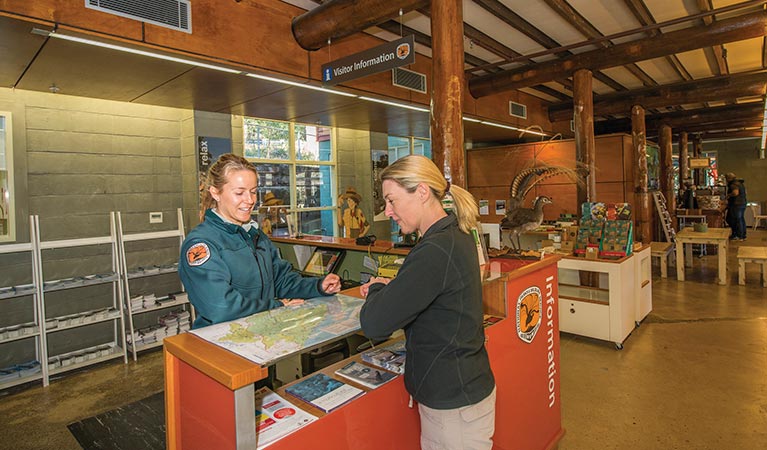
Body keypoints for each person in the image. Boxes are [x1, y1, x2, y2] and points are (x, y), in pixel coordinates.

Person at [358, 155, 496, 450]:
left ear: (421, 192)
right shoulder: (455, 234)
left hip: (453, 404)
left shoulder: (434, 250)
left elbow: (374, 324)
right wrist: (394, 288)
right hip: (465, 388)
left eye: (392, 200)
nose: (388, 211)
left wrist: (376, 290)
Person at [179, 153, 342, 330]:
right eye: (239, 193)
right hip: (221, 343)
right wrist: (275, 306)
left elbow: (280, 281)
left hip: (260, 334)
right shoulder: (201, 244)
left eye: (253, 192)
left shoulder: (255, 235)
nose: (250, 201)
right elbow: (221, 306)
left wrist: (317, 286)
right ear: (215, 193)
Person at [724, 172, 747, 240]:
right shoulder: (740, 183)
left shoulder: (733, 184)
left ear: (729, 178)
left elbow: (735, 193)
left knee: (735, 219)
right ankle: (743, 235)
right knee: (741, 219)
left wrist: (728, 195)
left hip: (736, 204)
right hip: (742, 203)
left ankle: (738, 235)